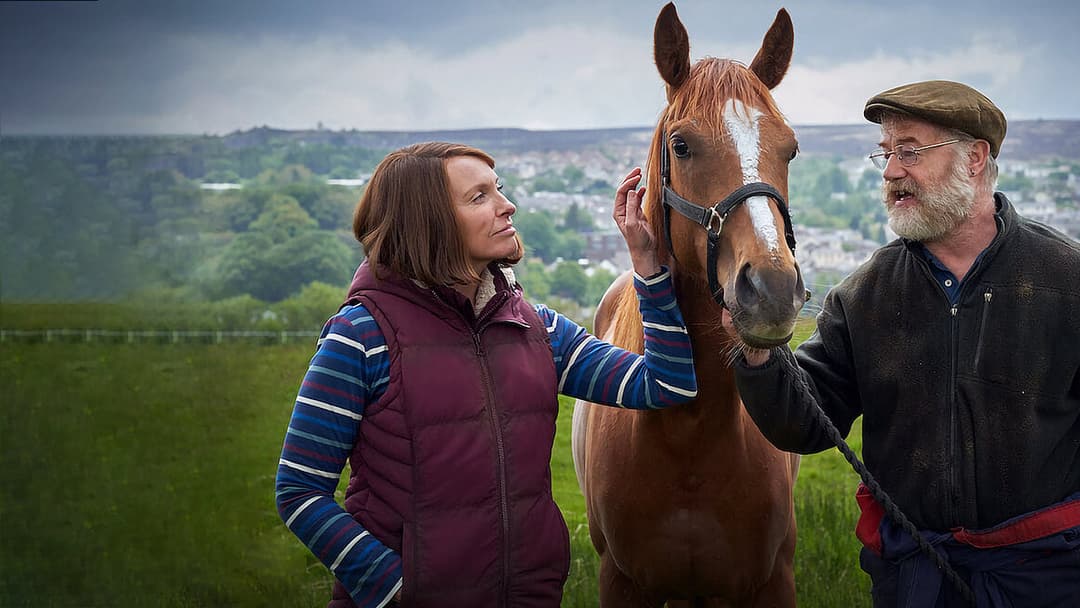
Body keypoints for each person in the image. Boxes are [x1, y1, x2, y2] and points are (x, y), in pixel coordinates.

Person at [274, 142, 698, 608]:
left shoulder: (538, 330)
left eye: (498, 189)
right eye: (479, 197)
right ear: (427, 222)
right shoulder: (361, 336)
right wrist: (395, 589)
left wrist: (646, 266)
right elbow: (300, 489)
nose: (507, 205)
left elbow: (667, 383)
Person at [727, 80, 1080, 606]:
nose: (891, 171)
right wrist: (758, 350)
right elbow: (806, 422)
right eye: (886, 153)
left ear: (975, 159)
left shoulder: (1066, 280)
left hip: (1049, 577)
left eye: (910, 151)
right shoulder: (865, 294)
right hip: (915, 578)